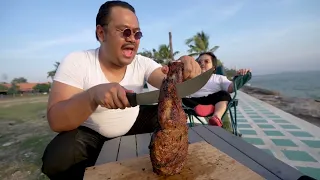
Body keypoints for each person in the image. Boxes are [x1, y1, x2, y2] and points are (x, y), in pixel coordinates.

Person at [41, 1, 201, 179]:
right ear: (101, 33)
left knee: (167, 115)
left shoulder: (143, 63)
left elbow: (168, 83)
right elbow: (56, 120)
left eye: (137, 33)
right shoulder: (77, 61)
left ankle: (168, 165)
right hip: (91, 132)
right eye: (125, 31)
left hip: (133, 122)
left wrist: (182, 68)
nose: (132, 38)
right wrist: (92, 96)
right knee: (57, 158)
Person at [182, 52, 250, 127]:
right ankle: (201, 109)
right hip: (192, 103)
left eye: (206, 61)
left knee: (224, 94)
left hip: (212, 101)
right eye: (199, 62)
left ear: (213, 67)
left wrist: (239, 78)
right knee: (177, 96)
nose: (202, 63)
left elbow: (231, 88)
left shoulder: (219, 78)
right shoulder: (191, 79)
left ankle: (216, 117)